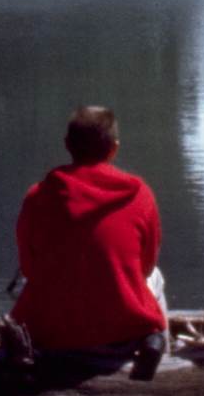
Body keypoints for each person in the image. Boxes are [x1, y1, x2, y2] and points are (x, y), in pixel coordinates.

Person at [10, 106, 169, 359]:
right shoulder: (141, 195)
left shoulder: (37, 196)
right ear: (114, 148)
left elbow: (29, 269)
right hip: (123, 334)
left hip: (48, 336)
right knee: (155, 277)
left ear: (67, 145)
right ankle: (158, 355)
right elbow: (146, 268)